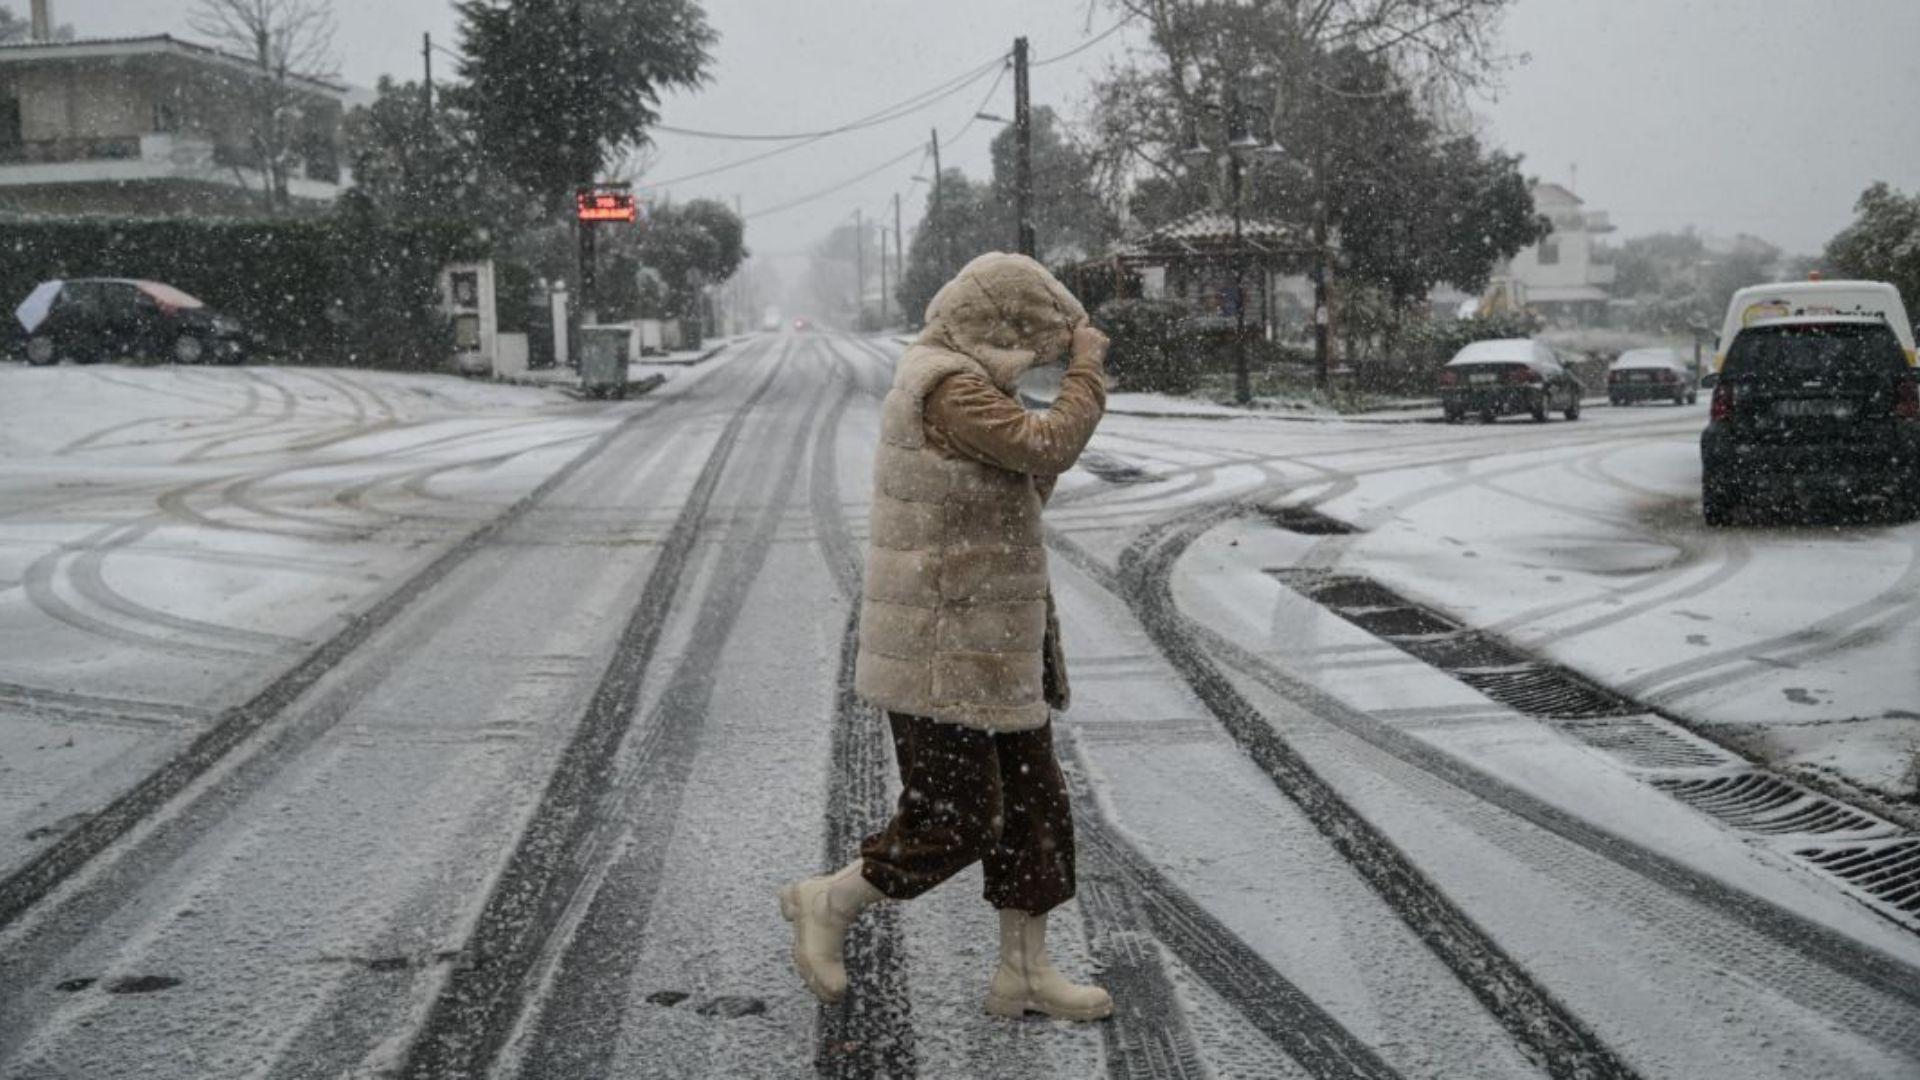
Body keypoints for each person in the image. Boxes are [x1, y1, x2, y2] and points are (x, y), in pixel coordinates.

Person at [779, 252, 1112, 1021]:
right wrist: (1086, 374)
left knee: (1035, 815)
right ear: (998, 325)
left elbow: (1025, 481)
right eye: (1034, 339)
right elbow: (1047, 446)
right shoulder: (946, 385)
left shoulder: (971, 385)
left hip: (997, 643)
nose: (1042, 355)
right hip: (942, 651)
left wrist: (1052, 422)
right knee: (955, 818)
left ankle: (1024, 973)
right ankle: (829, 901)